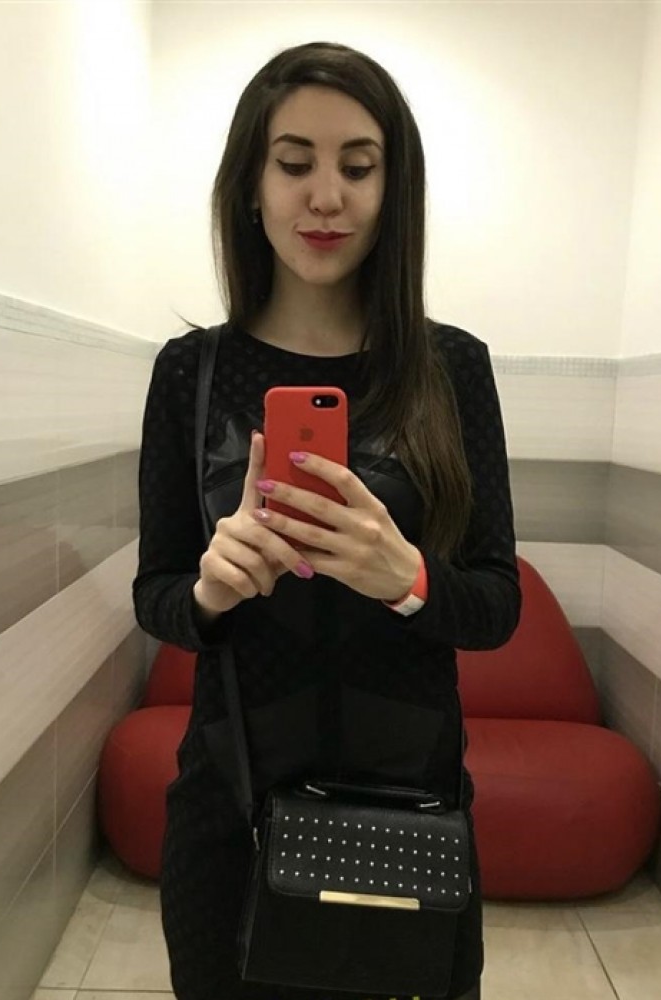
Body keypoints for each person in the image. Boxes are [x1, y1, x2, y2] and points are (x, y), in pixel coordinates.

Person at [133, 40, 520, 1000]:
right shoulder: (191, 374)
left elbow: (496, 603)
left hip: (409, 812)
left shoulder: (450, 369)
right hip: (230, 806)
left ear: (393, 190)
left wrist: (408, 579)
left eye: (358, 166)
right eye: (294, 161)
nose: (325, 196)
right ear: (251, 184)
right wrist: (210, 591)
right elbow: (156, 595)